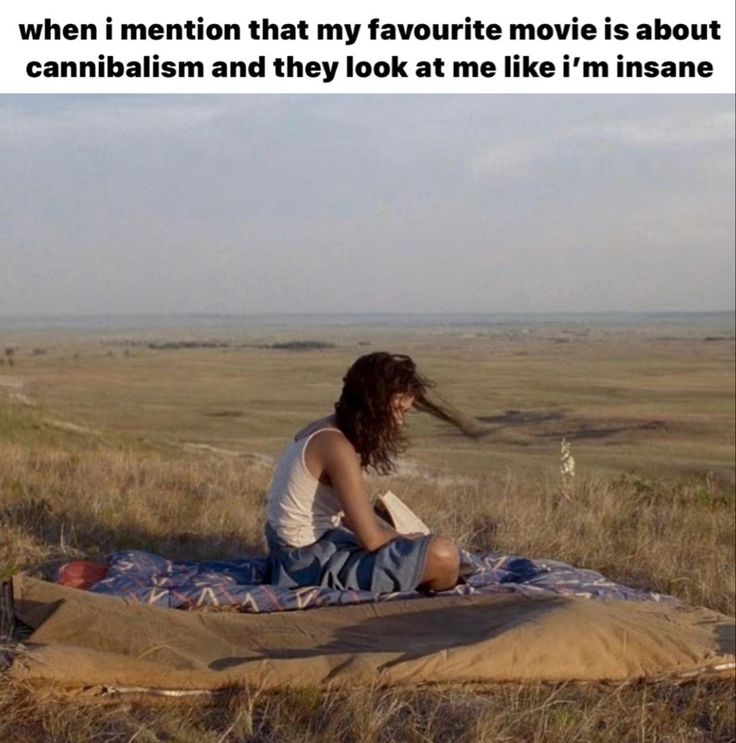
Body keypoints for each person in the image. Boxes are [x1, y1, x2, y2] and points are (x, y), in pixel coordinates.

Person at [265, 352, 482, 594]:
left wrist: (401, 539)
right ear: (372, 405)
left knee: (423, 547)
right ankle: (434, 611)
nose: (399, 422)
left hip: (302, 552)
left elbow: (348, 517)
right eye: (397, 410)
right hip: (306, 564)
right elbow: (371, 540)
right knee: (443, 556)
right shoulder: (334, 445)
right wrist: (408, 541)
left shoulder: (323, 429)